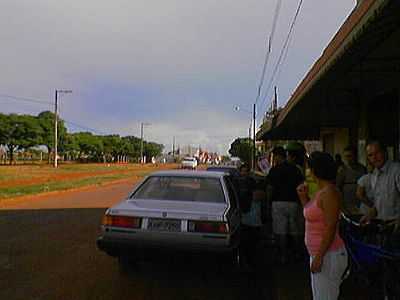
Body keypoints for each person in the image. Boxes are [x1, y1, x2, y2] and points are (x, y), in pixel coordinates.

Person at [297, 151, 348, 300]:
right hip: (322, 254)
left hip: (328, 255)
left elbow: (330, 227)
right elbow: (314, 218)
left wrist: (319, 257)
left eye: (309, 168)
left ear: (315, 170)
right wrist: (303, 198)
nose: (307, 171)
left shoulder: (329, 193)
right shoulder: (322, 192)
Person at [266, 146, 304, 264]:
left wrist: (268, 202)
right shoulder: (296, 169)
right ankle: (297, 253)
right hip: (294, 203)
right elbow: (301, 186)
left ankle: (283, 255)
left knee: (280, 230)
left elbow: (270, 188)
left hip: (278, 203)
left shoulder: (274, 170)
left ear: (277, 156)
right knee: (295, 230)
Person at [361, 141, 400, 224]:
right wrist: (369, 215)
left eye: (377, 153)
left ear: (385, 153)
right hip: (382, 225)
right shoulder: (374, 175)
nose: (374, 158)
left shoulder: (397, 170)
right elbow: (379, 203)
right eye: (370, 155)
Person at [336, 146, 367, 215]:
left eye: (350, 156)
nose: (348, 159)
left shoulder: (362, 169)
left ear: (355, 156)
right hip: (347, 202)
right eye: (346, 157)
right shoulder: (342, 170)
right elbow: (338, 187)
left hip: (360, 202)